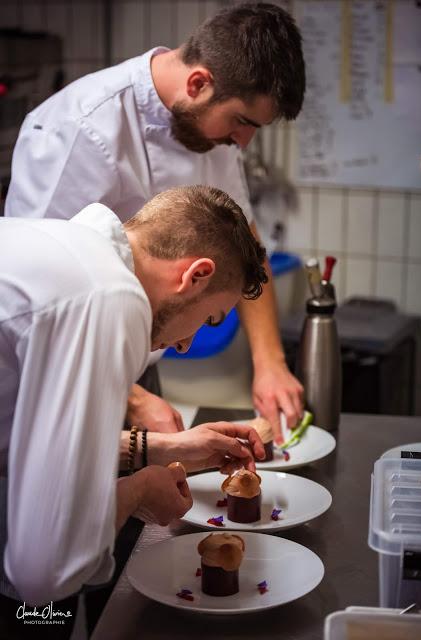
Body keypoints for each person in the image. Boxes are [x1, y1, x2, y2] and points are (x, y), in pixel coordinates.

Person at [5, 2, 306, 444]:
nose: (243, 141)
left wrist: (271, 362)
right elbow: (34, 303)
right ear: (199, 82)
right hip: (54, 377)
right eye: (242, 121)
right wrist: (129, 398)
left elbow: (247, 245)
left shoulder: (213, 129)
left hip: (137, 365)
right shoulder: (79, 129)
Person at [0, 186, 266, 635]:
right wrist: (139, 494)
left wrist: (158, 449)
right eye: (210, 318)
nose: (185, 344)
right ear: (196, 275)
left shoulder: (60, 251)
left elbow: (15, 444)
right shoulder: (107, 296)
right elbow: (44, 571)